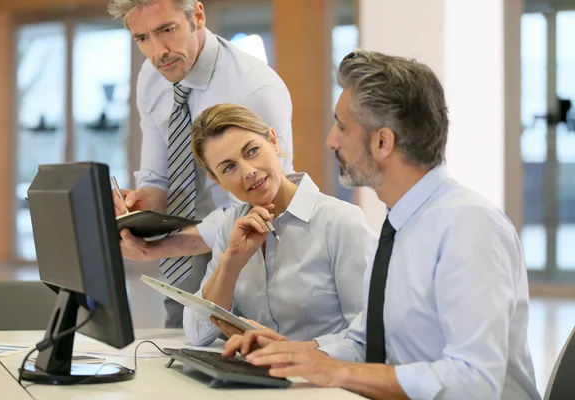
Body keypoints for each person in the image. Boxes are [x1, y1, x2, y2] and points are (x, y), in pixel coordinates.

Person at [221, 51, 541, 400]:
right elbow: (365, 341)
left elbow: (474, 381)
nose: (332, 140)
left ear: (383, 142)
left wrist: (340, 372)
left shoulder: (469, 226)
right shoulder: (400, 225)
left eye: (342, 126)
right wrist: (293, 353)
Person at [106, 0, 294, 328]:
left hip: (252, 255)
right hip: (183, 259)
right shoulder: (152, 77)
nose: (157, 51)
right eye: (142, 38)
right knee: (180, 352)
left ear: (197, 15)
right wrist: (136, 208)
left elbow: (261, 206)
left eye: (166, 30)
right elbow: (158, 177)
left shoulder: (253, 89)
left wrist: (165, 247)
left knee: (237, 358)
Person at [181, 103, 376, 347]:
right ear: (216, 180)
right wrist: (231, 262)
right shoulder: (231, 226)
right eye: (229, 167)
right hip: (258, 378)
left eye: (252, 151)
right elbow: (197, 334)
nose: (249, 171)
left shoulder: (340, 222)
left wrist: (292, 352)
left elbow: (372, 334)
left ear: (273, 141)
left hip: (323, 380)